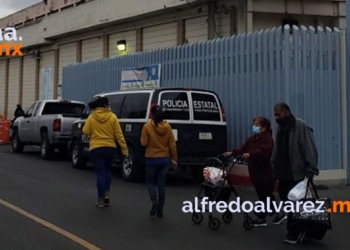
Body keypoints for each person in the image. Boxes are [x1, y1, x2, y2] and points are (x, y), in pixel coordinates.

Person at [271, 102, 319, 244]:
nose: (276, 118)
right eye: (274, 115)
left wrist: (311, 169)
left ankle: (293, 231)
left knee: (295, 202)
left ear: (287, 112)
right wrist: (273, 164)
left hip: (296, 173)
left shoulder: (300, 126)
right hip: (283, 173)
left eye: (278, 114)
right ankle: (297, 226)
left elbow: (309, 149)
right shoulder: (281, 128)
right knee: (285, 198)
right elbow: (277, 148)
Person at [223, 116, 276, 227]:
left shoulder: (267, 139)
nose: (254, 127)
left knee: (264, 196)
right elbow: (243, 148)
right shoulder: (252, 139)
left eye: (257, 125)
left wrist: (250, 154)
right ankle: (276, 214)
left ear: (264, 128)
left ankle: (261, 218)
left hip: (264, 173)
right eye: (254, 124)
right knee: (266, 196)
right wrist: (232, 153)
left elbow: (263, 151)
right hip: (255, 172)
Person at [82, 96, 129, 208]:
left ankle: (100, 199)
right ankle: (107, 194)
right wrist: (124, 150)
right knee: (108, 171)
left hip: (96, 148)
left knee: (100, 173)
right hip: (110, 148)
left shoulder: (92, 117)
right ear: (104, 105)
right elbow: (119, 135)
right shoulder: (112, 117)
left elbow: (85, 131)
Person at [141, 105, 177, 218]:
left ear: (151, 115)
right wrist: (174, 159)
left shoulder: (147, 127)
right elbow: (172, 145)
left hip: (151, 159)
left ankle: (154, 202)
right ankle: (160, 209)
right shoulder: (168, 127)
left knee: (150, 183)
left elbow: (144, 143)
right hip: (164, 160)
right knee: (161, 184)